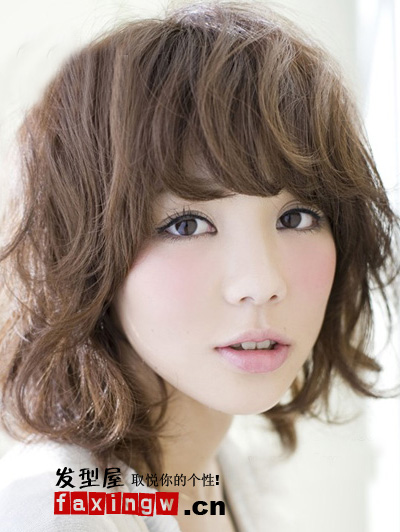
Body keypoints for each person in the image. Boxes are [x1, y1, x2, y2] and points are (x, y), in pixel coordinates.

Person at [0, 2, 398, 531]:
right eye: (186, 225)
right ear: (84, 252)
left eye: (297, 217)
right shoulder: (55, 512)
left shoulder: (218, 473)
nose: (262, 283)